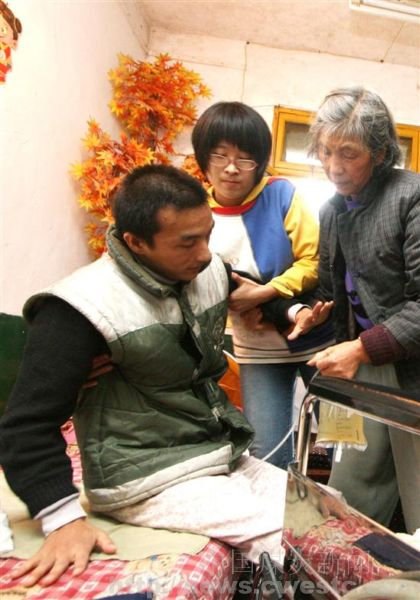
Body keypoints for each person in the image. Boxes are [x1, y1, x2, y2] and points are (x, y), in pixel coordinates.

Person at [0, 164, 317, 588]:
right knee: (298, 539)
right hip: (146, 476)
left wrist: (293, 311)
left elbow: (246, 292)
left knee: (329, 513)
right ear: (136, 242)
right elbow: (26, 426)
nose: (204, 253)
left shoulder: (207, 269)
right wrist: (62, 518)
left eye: (207, 235)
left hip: (217, 452)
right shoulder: (78, 309)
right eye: (187, 242)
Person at [192, 102, 334, 469]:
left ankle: (326, 500)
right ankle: (280, 505)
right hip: (257, 347)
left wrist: (263, 292)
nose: (231, 168)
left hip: (316, 337)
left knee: (335, 445)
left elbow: (314, 261)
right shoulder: (194, 211)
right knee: (266, 453)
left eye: (245, 158)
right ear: (203, 158)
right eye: (220, 155)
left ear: (259, 162)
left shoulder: (280, 194)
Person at [305, 86, 420, 533]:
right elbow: (328, 284)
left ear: (379, 151)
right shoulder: (332, 210)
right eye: (325, 151)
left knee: (416, 486)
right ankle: (348, 559)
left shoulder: (411, 196)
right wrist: (309, 310)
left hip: (406, 363)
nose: (334, 167)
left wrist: (361, 349)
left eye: (348, 154)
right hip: (362, 362)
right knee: (350, 480)